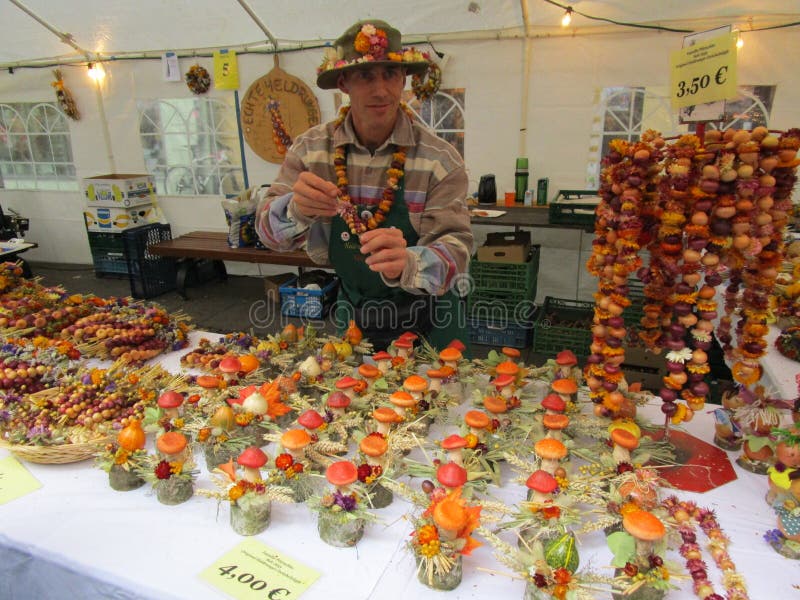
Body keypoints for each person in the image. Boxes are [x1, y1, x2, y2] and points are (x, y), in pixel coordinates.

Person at [255, 19, 473, 351]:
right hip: (356, 317)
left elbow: (457, 251)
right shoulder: (311, 151)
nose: (381, 90)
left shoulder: (439, 160)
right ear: (343, 82)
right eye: (366, 76)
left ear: (404, 80)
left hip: (432, 321)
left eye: (390, 74)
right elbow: (267, 234)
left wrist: (412, 263)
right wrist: (296, 210)